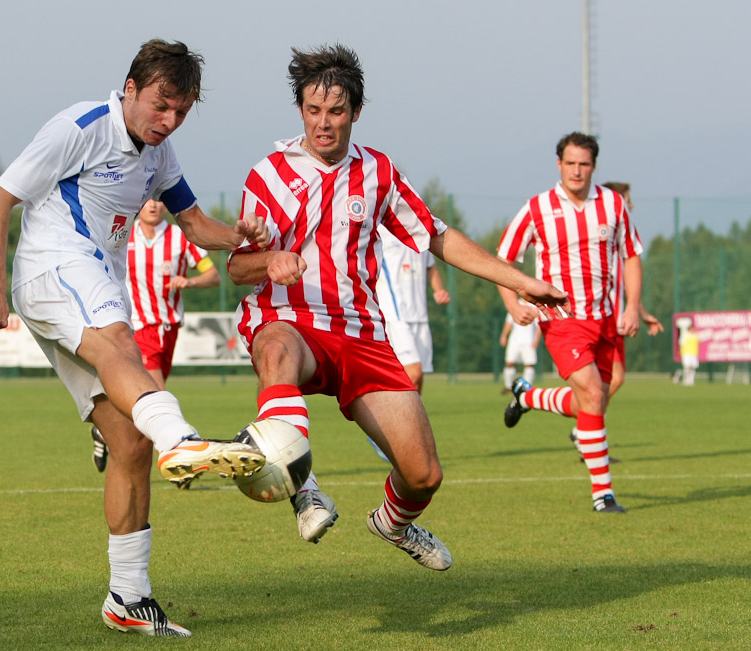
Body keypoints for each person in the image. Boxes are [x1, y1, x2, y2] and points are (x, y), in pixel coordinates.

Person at [0, 39, 271, 638]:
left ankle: (128, 599)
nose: (169, 121)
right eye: (162, 104)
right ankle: (182, 439)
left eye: (181, 112)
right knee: (119, 348)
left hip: (91, 276)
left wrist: (238, 235)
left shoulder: (160, 154)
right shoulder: (81, 126)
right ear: (131, 87)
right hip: (54, 264)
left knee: (128, 441)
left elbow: (194, 224)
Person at [227, 44, 569, 567]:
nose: (324, 124)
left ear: (356, 113)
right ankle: (305, 488)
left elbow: (438, 237)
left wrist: (520, 279)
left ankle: (393, 524)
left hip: (361, 332)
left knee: (423, 473)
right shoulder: (267, 174)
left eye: (336, 112)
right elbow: (237, 268)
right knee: (275, 347)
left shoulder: (380, 173)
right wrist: (271, 259)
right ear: (300, 109)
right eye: (314, 111)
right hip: (289, 320)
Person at [497, 132, 645, 514]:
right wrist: (513, 303)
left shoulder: (613, 205)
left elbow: (630, 255)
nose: (577, 170)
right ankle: (603, 495)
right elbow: (503, 259)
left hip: (607, 320)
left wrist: (633, 307)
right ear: (559, 164)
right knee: (594, 396)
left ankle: (526, 396)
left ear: (593, 166)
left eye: (584, 164)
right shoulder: (538, 208)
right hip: (561, 319)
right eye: (570, 163)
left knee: (591, 402)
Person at [90, 199, 222, 473]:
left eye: (160, 200)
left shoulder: (180, 238)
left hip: (168, 329)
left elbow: (213, 276)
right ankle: (182, 453)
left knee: (143, 399)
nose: (153, 205)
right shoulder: (121, 235)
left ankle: (104, 434)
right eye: (148, 199)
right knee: (157, 395)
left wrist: (190, 281)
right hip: (137, 327)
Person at [566, 182, 664, 452]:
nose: (630, 205)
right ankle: (584, 429)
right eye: (627, 200)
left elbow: (625, 286)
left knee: (606, 384)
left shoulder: (623, 240)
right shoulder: (604, 240)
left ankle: (581, 426)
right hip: (601, 320)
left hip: (618, 320)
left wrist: (639, 311)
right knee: (606, 384)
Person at [366, 226, 451, 460]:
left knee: (414, 379)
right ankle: (390, 432)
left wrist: (439, 289)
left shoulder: (420, 232)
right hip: (395, 315)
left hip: (419, 318)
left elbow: (431, 267)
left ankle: (396, 430)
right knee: (414, 373)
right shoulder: (380, 230)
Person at [499, 299, 541, 393]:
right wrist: (504, 336)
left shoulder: (534, 306)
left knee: (529, 364)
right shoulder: (516, 304)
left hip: (529, 340)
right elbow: (509, 322)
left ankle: (526, 387)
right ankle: (508, 386)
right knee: (509, 362)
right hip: (514, 340)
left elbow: (539, 325)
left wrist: (536, 339)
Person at [677, 319, 699, 386]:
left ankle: (691, 381)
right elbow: (681, 344)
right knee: (687, 367)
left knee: (693, 367)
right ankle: (686, 381)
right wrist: (680, 351)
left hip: (694, 353)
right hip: (686, 353)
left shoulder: (695, 335)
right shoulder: (685, 335)